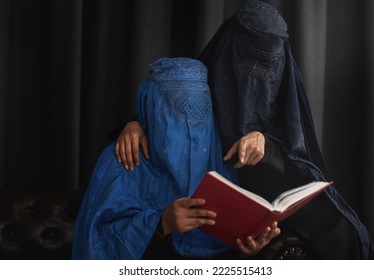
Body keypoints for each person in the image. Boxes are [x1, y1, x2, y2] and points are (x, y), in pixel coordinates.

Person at [115, 0, 374, 259]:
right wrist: (134, 122)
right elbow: (170, 110)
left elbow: (297, 151)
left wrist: (265, 141)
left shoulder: (285, 89)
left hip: (272, 191)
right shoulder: (201, 79)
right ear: (228, 47)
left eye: (264, 66)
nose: (253, 72)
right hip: (201, 200)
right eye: (246, 59)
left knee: (344, 230)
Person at [72, 57, 280, 260]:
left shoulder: (219, 160)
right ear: (152, 109)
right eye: (176, 113)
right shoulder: (122, 158)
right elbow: (94, 245)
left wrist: (249, 249)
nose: (190, 128)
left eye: (201, 112)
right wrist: (162, 224)